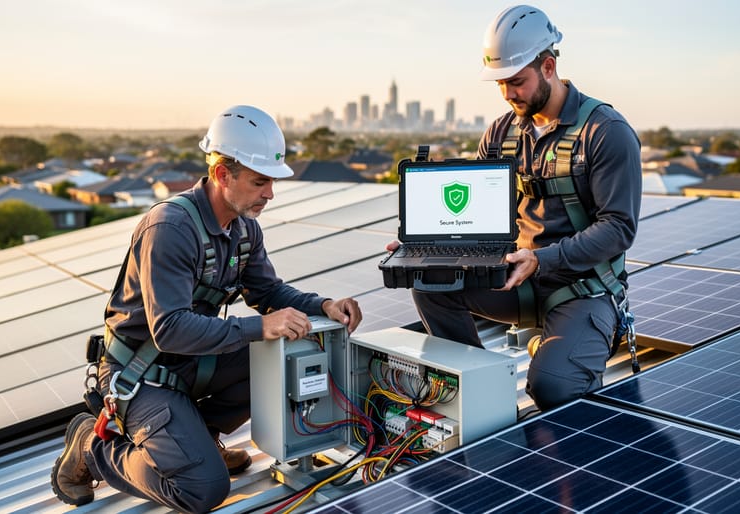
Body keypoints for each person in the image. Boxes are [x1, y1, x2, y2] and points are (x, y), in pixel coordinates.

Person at [50, 105, 362, 512]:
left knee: (283, 357)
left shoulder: (243, 227)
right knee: (202, 491)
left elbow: (268, 291)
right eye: (260, 181)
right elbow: (171, 329)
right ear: (221, 175)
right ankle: (91, 447)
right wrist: (260, 327)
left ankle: (198, 438)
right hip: (140, 374)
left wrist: (324, 304)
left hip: (191, 361)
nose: (270, 193)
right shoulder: (171, 229)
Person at [389, 5, 641, 411]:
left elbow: (618, 229)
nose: (507, 94)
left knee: (553, 390)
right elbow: (482, 217)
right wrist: (429, 244)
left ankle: (567, 346)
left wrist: (541, 259)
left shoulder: (605, 133)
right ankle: (477, 388)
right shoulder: (501, 133)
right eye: (500, 84)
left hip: (581, 287)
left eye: (516, 82)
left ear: (547, 66)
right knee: (428, 281)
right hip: (517, 279)